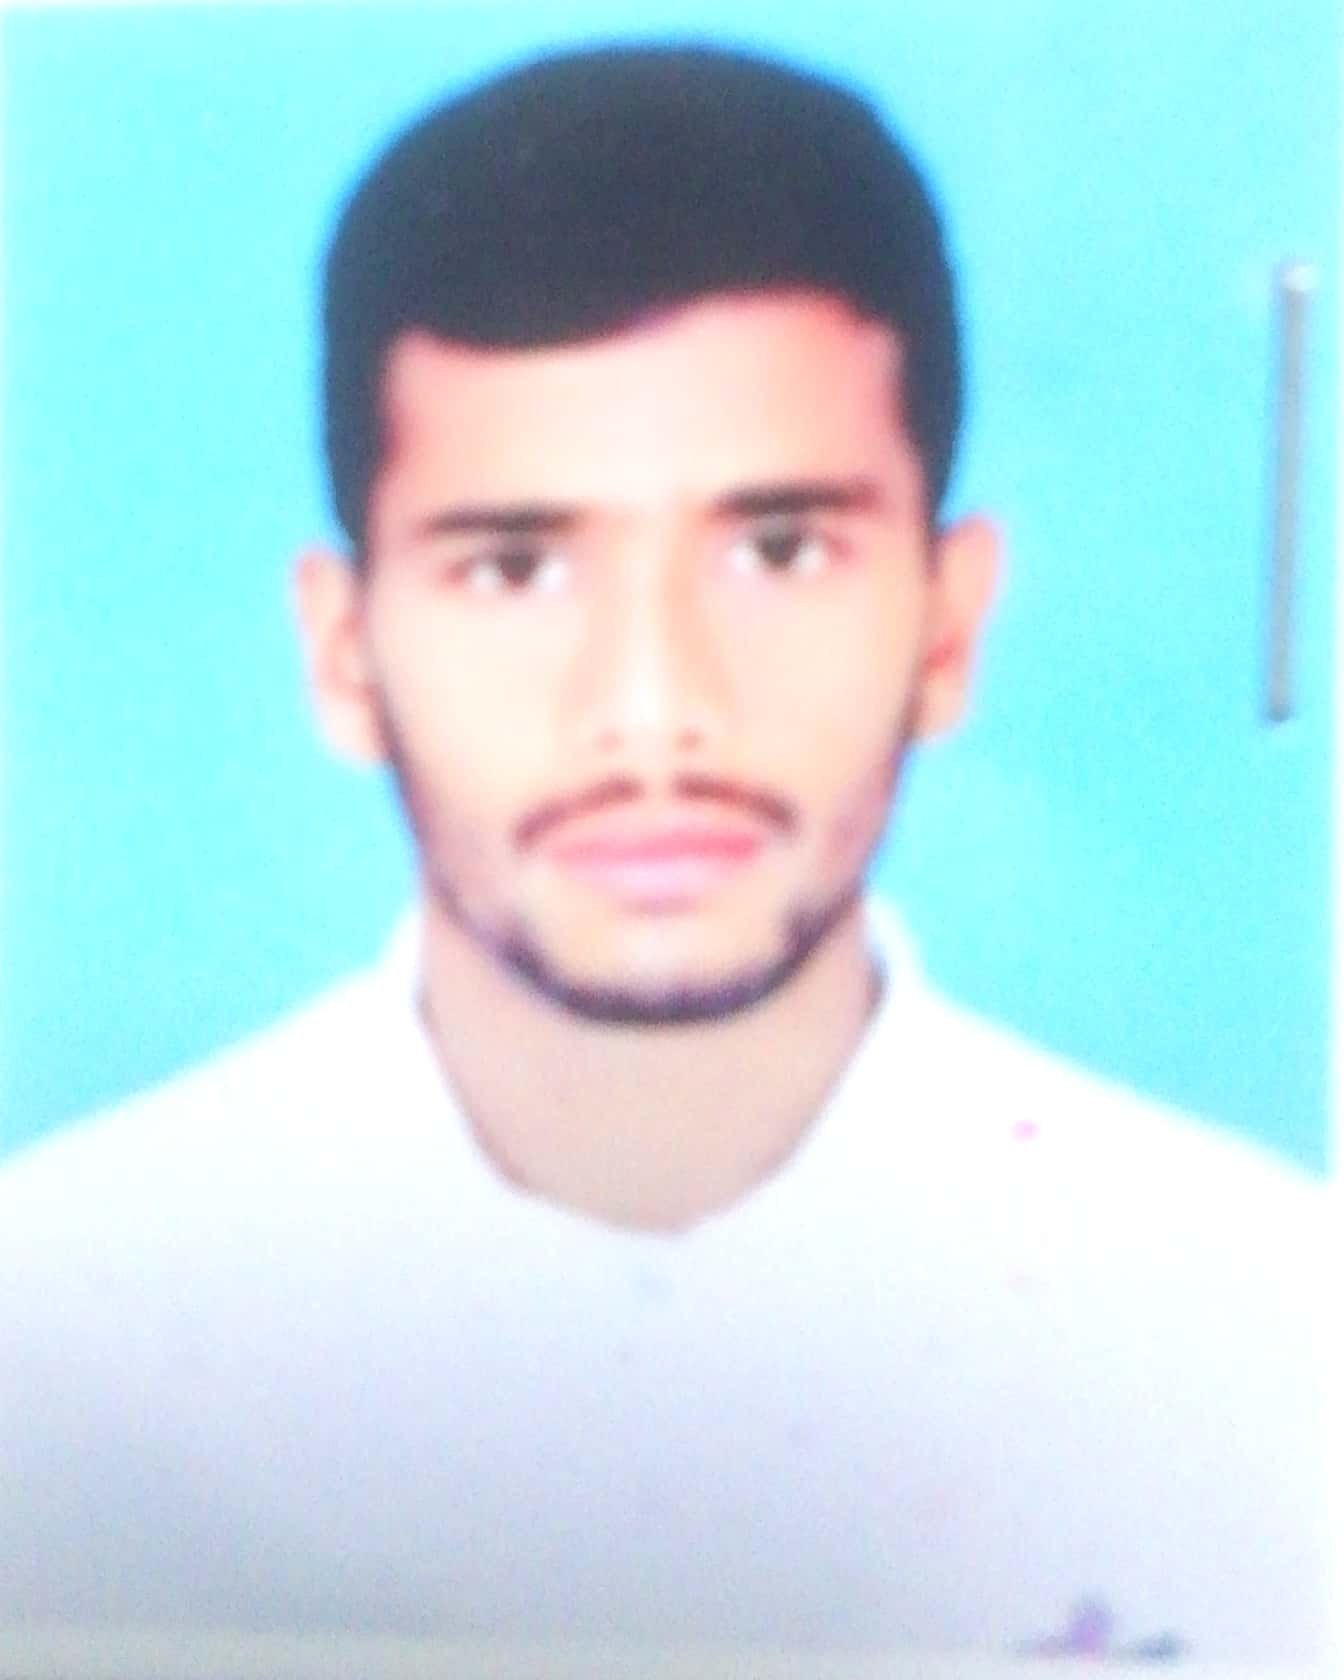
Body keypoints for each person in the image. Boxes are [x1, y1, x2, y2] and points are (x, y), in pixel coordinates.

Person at [0, 42, 1330, 1665]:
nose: (651, 708)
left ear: (948, 625)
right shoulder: (51, 1341)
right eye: (515, 568)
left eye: (779, 548)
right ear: (343, 655)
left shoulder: (1276, 1351)